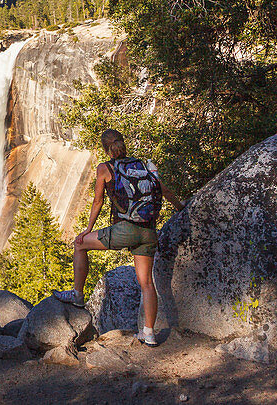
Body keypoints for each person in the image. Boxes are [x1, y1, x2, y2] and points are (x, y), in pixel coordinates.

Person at [53, 129, 184, 346]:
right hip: (149, 231)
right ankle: (149, 334)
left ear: (105, 148)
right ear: (123, 144)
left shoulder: (105, 168)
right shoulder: (144, 165)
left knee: (80, 245)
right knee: (147, 284)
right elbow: (165, 191)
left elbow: (98, 201)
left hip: (126, 230)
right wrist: (181, 208)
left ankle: (77, 294)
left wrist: (87, 229)